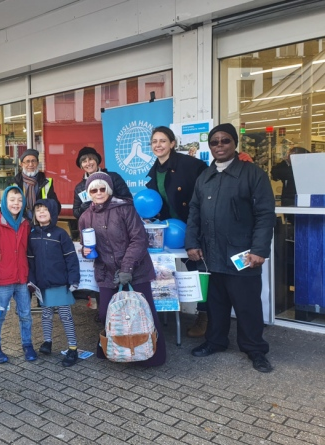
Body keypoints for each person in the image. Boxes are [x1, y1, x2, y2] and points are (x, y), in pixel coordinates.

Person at [186, 123, 276, 373]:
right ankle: (215, 341)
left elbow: (265, 214)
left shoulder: (252, 174)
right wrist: (191, 243)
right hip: (211, 253)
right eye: (214, 142)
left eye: (225, 141)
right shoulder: (204, 176)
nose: (219, 146)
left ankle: (255, 349)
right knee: (216, 304)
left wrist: (259, 249)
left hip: (243, 254)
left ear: (234, 143)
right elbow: (194, 211)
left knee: (247, 305)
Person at [78, 171, 166, 366]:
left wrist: (127, 268)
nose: (99, 192)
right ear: (88, 192)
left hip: (136, 269)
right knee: (105, 314)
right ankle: (117, 351)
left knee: (144, 311)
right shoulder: (85, 217)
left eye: (103, 188)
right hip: (107, 272)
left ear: (109, 189)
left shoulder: (125, 209)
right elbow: (86, 244)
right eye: (94, 189)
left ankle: (152, 355)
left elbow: (139, 239)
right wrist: (85, 251)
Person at [145, 126, 208, 338]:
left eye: (163, 141)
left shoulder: (192, 165)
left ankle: (206, 316)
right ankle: (164, 310)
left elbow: (203, 199)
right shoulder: (153, 173)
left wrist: (195, 231)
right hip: (169, 232)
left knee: (200, 273)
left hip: (193, 228)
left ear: (172, 143)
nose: (158, 145)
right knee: (166, 272)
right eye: (154, 141)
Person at [0, 185, 36, 364]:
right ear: (4, 201)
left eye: (20, 200)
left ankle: (27, 345)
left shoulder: (25, 224)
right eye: (12, 200)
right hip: (2, 280)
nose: (16, 203)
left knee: (26, 314)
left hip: (21, 279)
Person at [28, 198, 81, 367]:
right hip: (42, 284)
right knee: (46, 314)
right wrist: (31, 281)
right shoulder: (32, 235)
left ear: (52, 213)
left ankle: (73, 348)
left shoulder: (60, 234)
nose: (41, 213)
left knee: (65, 316)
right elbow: (29, 260)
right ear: (34, 214)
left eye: (45, 210)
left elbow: (71, 258)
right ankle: (47, 342)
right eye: (38, 210)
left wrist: (74, 279)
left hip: (60, 283)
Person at [73, 146, 131, 220]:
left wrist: (108, 200)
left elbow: (128, 200)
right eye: (84, 161)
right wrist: (83, 207)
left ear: (96, 161)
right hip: (92, 224)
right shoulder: (79, 187)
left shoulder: (113, 177)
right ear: (81, 165)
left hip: (115, 221)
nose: (88, 163)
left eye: (90, 159)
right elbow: (76, 213)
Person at [13, 149, 60, 221]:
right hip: (20, 222)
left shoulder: (46, 182)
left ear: (37, 163)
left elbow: (55, 205)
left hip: (41, 222)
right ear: (22, 164)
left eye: (33, 161)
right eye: (27, 161)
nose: (31, 164)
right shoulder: (14, 183)